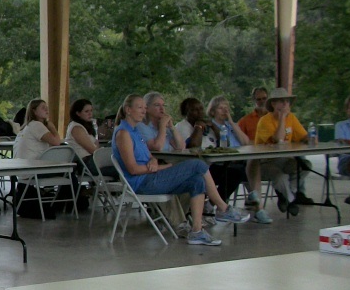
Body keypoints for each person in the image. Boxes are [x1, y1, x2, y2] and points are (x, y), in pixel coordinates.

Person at [113, 94, 248, 246]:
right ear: (128, 110)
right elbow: (132, 169)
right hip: (141, 183)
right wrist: (165, 167)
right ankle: (223, 208)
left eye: (145, 108)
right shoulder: (123, 133)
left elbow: (150, 155)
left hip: (152, 176)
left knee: (196, 180)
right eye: (140, 108)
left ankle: (196, 231)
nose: (143, 111)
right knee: (197, 164)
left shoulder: (135, 131)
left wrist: (153, 160)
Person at [204, 95, 267, 222]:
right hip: (219, 164)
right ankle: (254, 200)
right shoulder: (210, 125)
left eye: (226, 108)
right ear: (213, 111)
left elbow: (245, 141)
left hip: (238, 161)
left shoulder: (230, 125)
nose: (225, 111)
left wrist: (232, 122)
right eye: (221, 108)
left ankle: (254, 201)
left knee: (253, 166)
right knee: (239, 172)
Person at [253, 87, 315, 215]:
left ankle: (285, 193)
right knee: (280, 176)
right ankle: (291, 201)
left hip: (286, 159)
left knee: (306, 166)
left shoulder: (291, 118)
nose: (286, 104)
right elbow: (278, 139)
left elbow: (302, 136)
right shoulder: (265, 121)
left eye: (287, 101)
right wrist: (281, 117)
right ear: (273, 104)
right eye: (281, 101)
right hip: (266, 162)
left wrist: (310, 137)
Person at [65, 98, 101, 173]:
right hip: (86, 163)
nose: (90, 114)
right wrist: (96, 145)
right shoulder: (76, 128)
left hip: (92, 160)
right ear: (78, 113)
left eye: (91, 110)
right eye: (86, 111)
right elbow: (93, 150)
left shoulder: (86, 127)